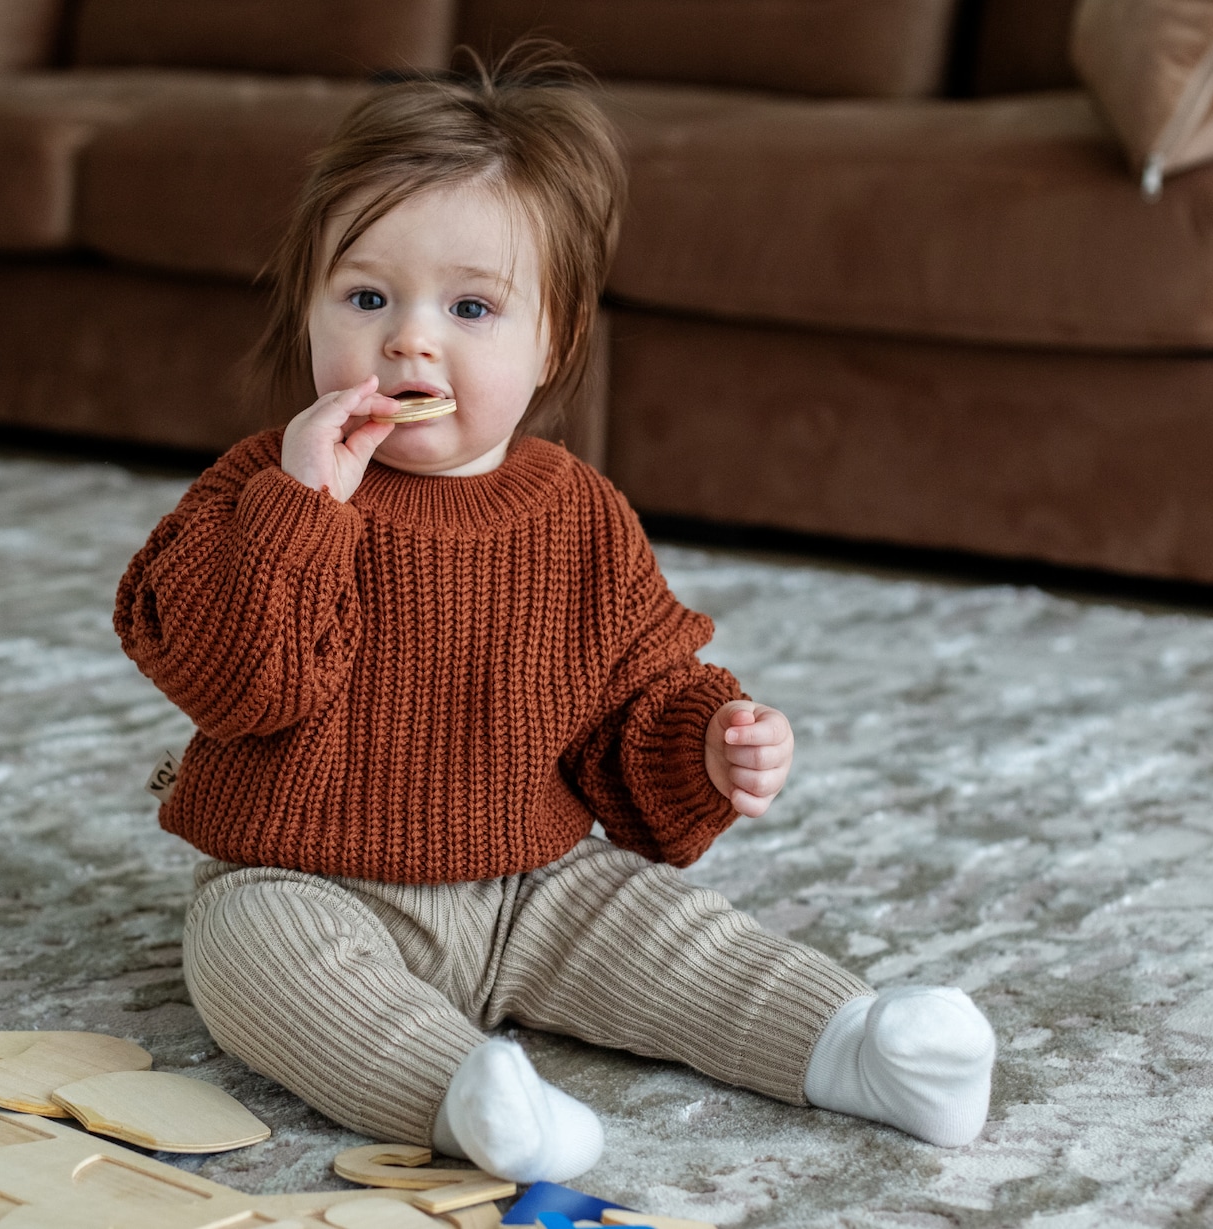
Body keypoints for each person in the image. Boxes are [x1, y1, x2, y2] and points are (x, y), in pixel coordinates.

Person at [114, 45, 996, 1184]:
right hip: (303, 876)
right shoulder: (260, 487)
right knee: (250, 961)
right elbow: (237, 684)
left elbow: (634, 698)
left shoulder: (574, 512)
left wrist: (710, 745)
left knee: (668, 930)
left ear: (553, 341)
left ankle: (858, 1048)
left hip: (528, 876)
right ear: (309, 308)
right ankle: (462, 1096)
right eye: (365, 295)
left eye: (469, 306)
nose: (408, 339)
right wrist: (301, 507)